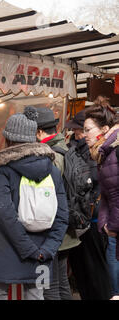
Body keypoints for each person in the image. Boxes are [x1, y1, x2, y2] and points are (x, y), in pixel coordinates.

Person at [0, 106, 69, 300]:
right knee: (36, 295)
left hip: (6, 250)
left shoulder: (4, 170)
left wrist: (27, 249)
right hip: (42, 252)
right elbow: (62, 215)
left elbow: (6, 215)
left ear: (8, 139)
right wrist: (47, 249)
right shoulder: (52, 168)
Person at [65, 110, 113, 300]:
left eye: (83, 130)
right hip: (88, 218)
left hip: (94, 221)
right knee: (85, 272)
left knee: (96, 271)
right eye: (80, 130)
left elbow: (99, 186)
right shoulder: (81, 151)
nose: (80, 134)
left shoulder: (99, 153)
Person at [35, 107, 80, 300]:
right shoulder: (66, 148)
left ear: (39, 132)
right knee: (61, 283)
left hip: (52, 233)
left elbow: (46, 197)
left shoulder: (51, 156)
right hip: (67, 231)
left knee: (48, 287)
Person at [84, 96, 119, 299]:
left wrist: (112, 225)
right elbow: (106, 194)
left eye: (89, 130)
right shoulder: (104, 153)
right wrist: (106, 223)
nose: (85, 134)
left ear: (104, 130)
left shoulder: (114, 151)